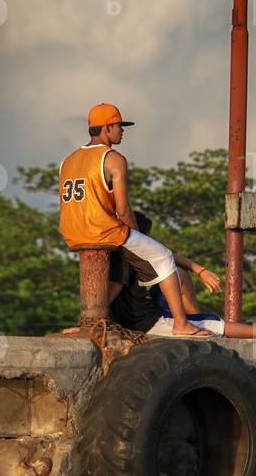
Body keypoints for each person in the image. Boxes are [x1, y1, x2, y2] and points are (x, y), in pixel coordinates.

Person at [59, 103, 210, 336]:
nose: (122, 130)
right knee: (164, 257)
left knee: (120, 274)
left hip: (72, 233)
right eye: (119, 125)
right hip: (103, 231)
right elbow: (123, 209)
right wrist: (137, 237)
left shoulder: (68, 160)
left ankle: (87, 324)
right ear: (107, 127)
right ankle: (181, 323)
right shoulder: (113, 158)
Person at [108, 212, 256, 339]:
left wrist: (200, 270)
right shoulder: (127, 260)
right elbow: (115, 287)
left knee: (180, 273)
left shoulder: (117, 253)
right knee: (213, 323)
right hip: (145, 322)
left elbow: (170, 256)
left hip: (136, 311)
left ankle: (191, 319)